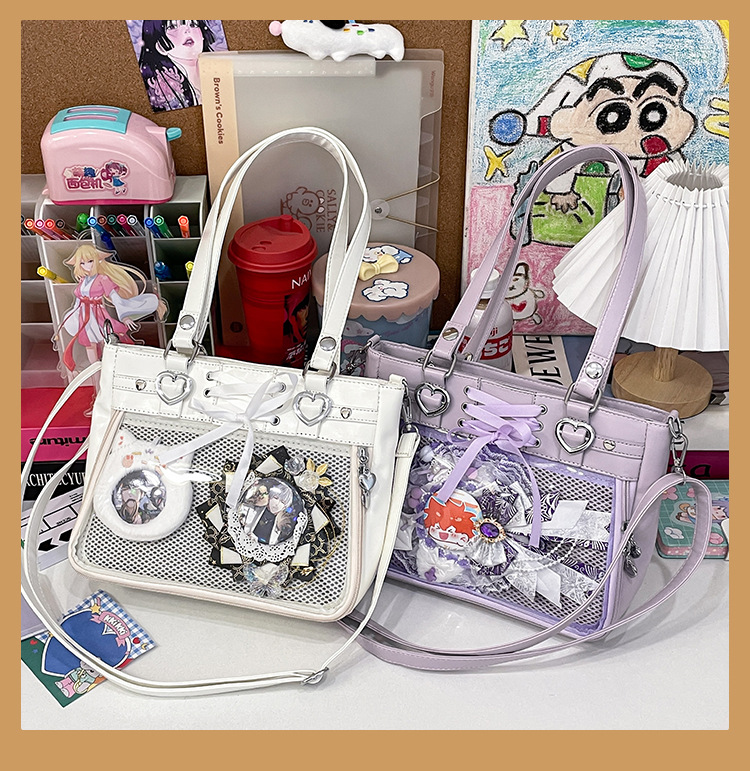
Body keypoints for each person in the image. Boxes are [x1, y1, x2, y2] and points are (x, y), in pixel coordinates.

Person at [58, 245, 167, 385]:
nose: (86, 266)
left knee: (106, 348)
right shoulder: (82, 280)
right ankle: (97, 387)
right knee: (91, 352)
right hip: (83, 317)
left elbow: (116, 298)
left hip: (97, 315)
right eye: (82, 263)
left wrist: (124, 316)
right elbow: (77, 302)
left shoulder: (103, 278)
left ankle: (108, 383)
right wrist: (70, 318)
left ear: (96, 260)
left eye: (90, 261)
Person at [138, 20, 217, 111]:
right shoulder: (163, 91)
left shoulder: (217, 70)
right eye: (172, 27)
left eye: (193, 24)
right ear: (159, 45)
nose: (187, 30)